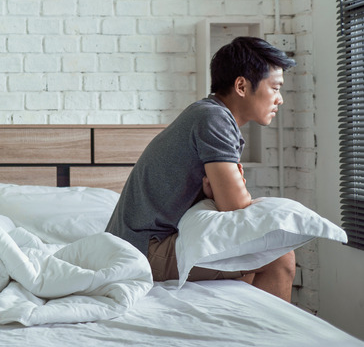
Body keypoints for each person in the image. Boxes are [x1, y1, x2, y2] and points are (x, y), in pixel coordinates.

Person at [105, 36, 297, 302]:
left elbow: (227, 204)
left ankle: (248, 332)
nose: (280, 99)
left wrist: (214, 194)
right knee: (278, 256)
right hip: (141, 250)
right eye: (275, 88)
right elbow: (235, 207)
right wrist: (221, 196)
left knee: (249, 264)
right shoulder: (214, 119)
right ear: (241, 85)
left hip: (134, 244)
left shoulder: (208, 114)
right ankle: (278, 342)